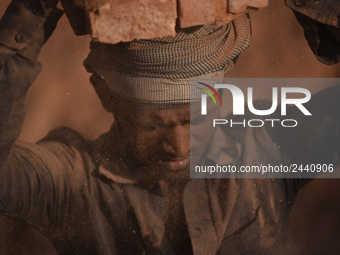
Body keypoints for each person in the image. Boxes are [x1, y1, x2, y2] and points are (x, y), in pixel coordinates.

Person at [0, 0, 340, 255]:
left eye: (197, 119)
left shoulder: (267, 147)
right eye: (151, 125)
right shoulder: (73, 183)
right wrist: (34, 9)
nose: (179, 146)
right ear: (105, 96)